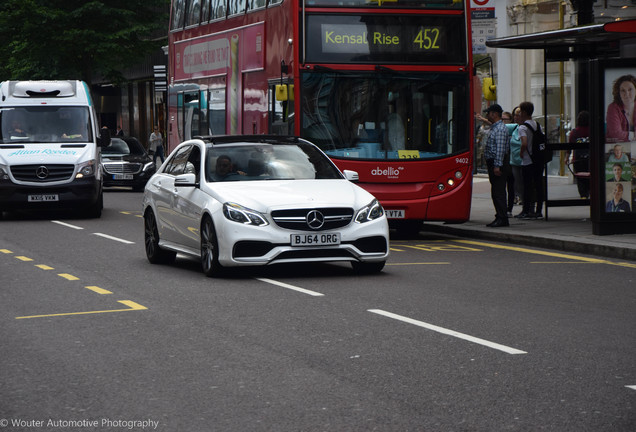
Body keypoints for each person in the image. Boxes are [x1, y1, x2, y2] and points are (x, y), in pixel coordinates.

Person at [483, 103, 511, 227]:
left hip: (497, 163)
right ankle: (499, 215)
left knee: (498, 192)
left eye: (488, 113)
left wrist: (497, 166)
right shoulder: (496, 127)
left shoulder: (499, 129)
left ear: (494, 114)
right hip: (495, 163)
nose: (487, 115)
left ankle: (502, 217)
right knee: (496, 191)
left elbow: (499, 150)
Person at [516, 101, 543, 220]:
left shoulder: (522, 127)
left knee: (527, 186)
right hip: (538, 159)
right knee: (538, 185)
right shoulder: (537, 124)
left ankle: (526, 210)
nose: (520, 113)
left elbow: (524, 143)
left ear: (524, 112)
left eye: (520, 111)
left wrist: (521, 152)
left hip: (528, 160)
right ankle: (539, 210)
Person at [606, 74, 636, 142]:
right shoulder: (613, 108)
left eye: (630, 89)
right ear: (618, 93)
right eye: (623, 90)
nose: (626, 94)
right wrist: (633, 136)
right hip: (616, 147)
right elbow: (615, 134)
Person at [567, 110, 590, 198]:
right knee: (590, 176)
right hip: (591, 158)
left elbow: (569, 146)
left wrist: (567, 157)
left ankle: (583, 195)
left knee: (580, 178)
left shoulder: (574, 132)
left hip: (578, 159)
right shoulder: (593, 130)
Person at [509, 107, 524, 208]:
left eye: (518, 115)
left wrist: (522, 153)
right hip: (514, 162)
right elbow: (498, 125)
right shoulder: (514, 127)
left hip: (524, 162)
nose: (515, 117)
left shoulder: (526, 128)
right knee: (518, 185)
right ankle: (523, 203)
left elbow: (525, 144)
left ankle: (528, 207)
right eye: (514, 115)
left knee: (524, 185)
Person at [502, 111, 516, 216]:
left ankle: (509, 208)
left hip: (512, 162)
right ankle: (504, 208)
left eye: (505, 120)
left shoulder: (514, 130)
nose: (503, 122)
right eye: (501, 120)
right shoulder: (501, 131)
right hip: (503, 162)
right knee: (503, 187)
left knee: (511, 187)